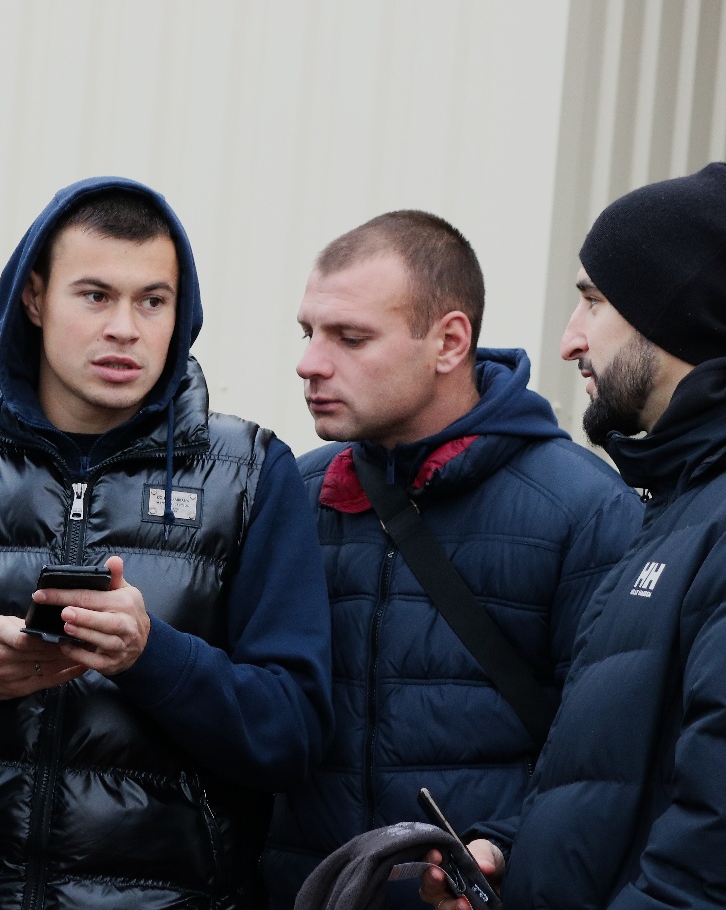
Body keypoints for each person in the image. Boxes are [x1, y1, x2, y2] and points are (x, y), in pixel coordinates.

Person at [422, 162, 726, 909]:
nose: (569, 342)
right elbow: (632, 783)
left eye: (593, 302)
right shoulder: (697, 501)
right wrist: (514, 852)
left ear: (678, 316)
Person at [0, 177, 333, 910]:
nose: (125, 328)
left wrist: (152, 655)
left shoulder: (248, 474)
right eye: (95, 296)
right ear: (34, 299)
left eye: (152, 301)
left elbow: (292, 737)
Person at [262, 210, 642, 908]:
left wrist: (508, 848)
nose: (309, 362)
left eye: (350, 337)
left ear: (448, 342)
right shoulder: (291, 492)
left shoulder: (586, 509)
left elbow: (612, 759)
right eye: (308, 333)